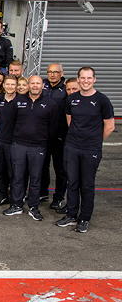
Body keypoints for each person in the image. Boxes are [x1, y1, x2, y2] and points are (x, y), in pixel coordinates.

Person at [55, 67, 115, 233]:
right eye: (83, 78)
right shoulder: (72, 99)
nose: (86, 81)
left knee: (86, 185)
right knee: (72, 182)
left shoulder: (102, 100)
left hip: (91, 149)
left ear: (94, 79)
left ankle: (84, 218)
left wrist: (95, 141)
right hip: (72, 147)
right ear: (78, 79)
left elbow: (110, 126)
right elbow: (70, 121)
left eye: (89, 78)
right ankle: (71, 214)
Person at [1, 76, 57, 221]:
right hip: (19, 145)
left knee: (36, 178)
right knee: (18, 176)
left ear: (42, 85)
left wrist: (43, 140)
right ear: (28, 85)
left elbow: (53, 126)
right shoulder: (18, 101)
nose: (35, 85)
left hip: (38, 147)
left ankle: (33, 207)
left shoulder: (50, 103)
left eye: (38, 83)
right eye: (32, 83)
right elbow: (11, 122)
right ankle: (17, 205)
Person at [41, 63, 68, 210]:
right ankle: (42, 193)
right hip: (43, 136)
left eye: (55, 72)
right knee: (42, 166)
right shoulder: (43, 85)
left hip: (60, 137)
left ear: (61, 73)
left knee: (60, 169)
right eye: (50, 72)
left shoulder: (66, 89)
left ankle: (58, 198)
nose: (52, 75)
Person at [0, 76, 18, 207]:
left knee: (13, 171)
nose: (10, 86)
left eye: (13, 84)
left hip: (14, 142)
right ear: (4, 85)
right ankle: (2, 195)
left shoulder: (21, 101)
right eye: (8, 84)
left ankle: (15, 197)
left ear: (16, 86)